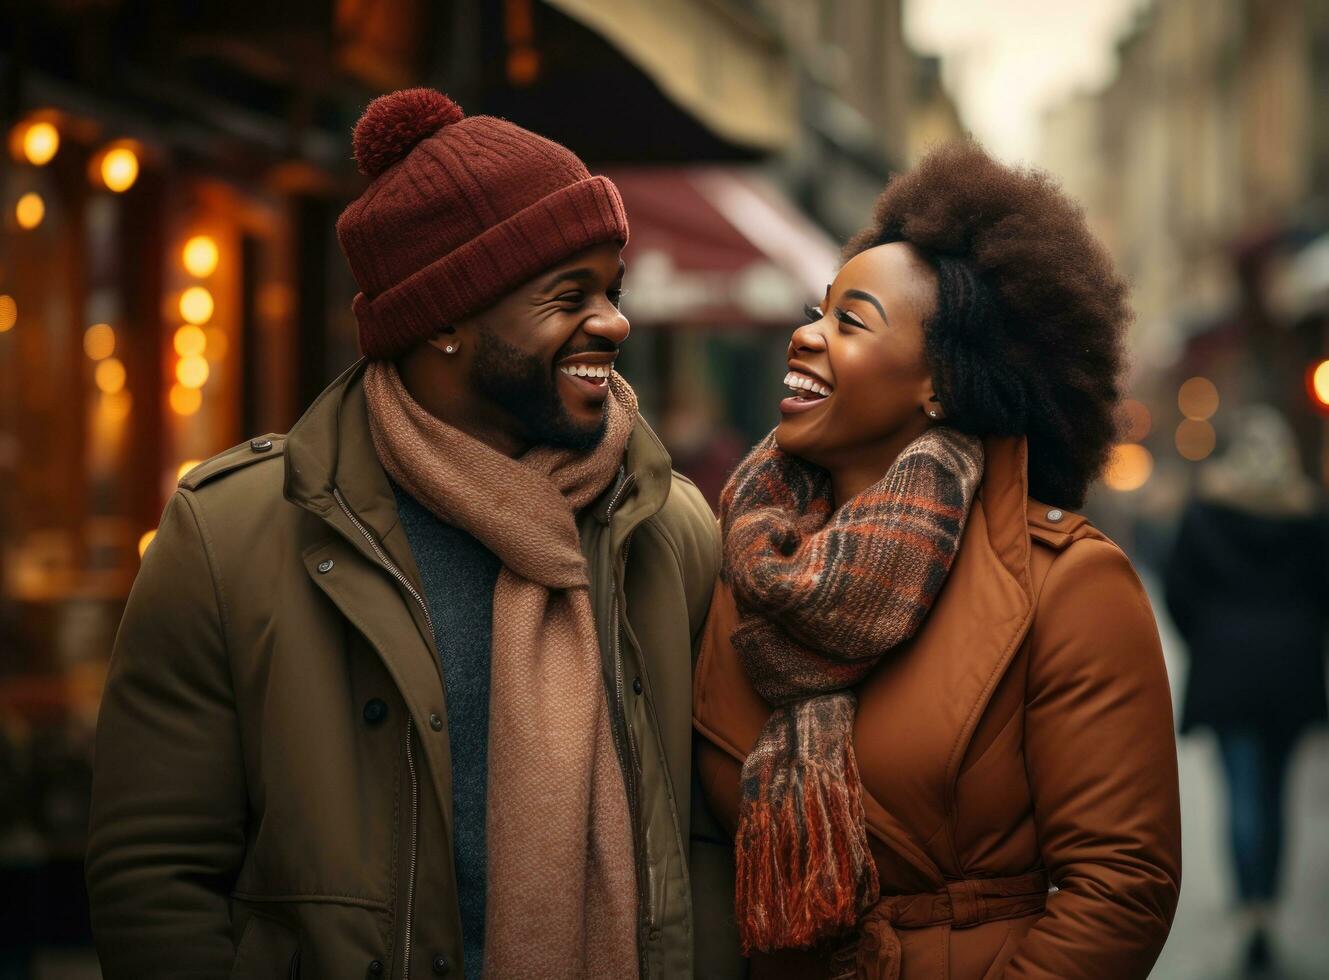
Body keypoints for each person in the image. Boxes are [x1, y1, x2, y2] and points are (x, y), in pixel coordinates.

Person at [85, 88, 723, 979]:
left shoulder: (671, 530)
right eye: (567, 295)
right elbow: (154, 873)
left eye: (611, 291)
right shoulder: (232, 533)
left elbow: (709, 839)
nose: (613, 322)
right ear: (446, 322)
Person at [692, 140, 1182, 978]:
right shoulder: (743, 559)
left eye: (849, 323)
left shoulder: (1066, 583)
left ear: (940, 383)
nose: (804, 338)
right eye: (817, 311)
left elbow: (1119, 887)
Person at [1165, 404, 1329, 975]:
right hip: (1292, 669)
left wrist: (1208, 638)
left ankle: (1250, 911)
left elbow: (1178, 587)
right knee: (1277, 793)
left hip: (1226, 667)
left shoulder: (1208, 509)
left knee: (1241, 790)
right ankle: (1270, 904)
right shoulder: (1309, 513)